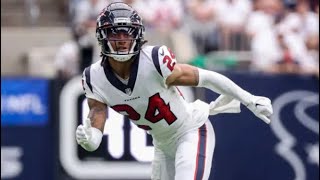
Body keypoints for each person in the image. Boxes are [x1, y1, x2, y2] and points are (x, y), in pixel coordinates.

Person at [75, 2, 273, 180]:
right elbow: (97, 117)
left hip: (191, 130)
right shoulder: (94, 78)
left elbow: (205, 77)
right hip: (162, 145)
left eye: (127, 32)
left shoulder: (153, 60)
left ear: (137, 34)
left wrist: (249, 99)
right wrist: (90, 139)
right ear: (102, 35)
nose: (121, 39)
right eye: (115, 33)